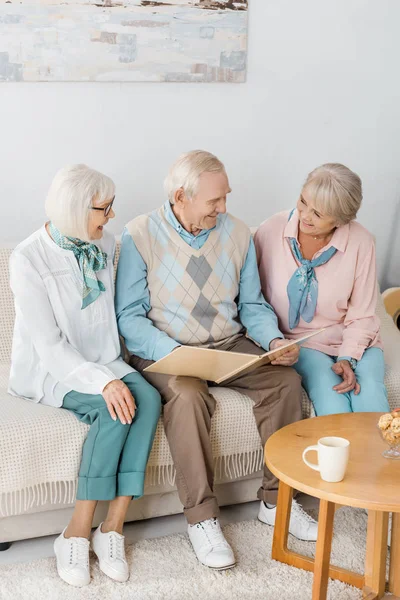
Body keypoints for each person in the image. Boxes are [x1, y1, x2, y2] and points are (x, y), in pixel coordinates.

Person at [115, 150, 318, 572]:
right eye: (214, 201)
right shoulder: (139, 235)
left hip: (228, 343)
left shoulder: (238, 233)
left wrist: (274, 340)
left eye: (225, 197)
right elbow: (128, 317)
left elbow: (252, 305)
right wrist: (171, 353)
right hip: (166, 351)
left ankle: (276, 501)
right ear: (180, 196)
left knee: (286, 383)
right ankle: (203, 518)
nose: (223, 208)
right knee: (187, 398)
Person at [8, 164, 161, 587]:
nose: (111, 216)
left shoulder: (104, 242)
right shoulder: (27, 258)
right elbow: (48, 344)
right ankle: (75, 531)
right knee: (114, 411)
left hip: (102, 358)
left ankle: (112, 527)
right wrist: (103, 383)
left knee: (148, 400)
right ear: (76, 209)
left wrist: (115, 372)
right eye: (103, 208)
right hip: (52, 369)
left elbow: (104, 320)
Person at [254, 163, 390, 417]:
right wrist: (274, 340)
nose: (305, 215)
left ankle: (379, 457)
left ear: (341, 220)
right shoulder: (270, 231)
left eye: (318, 214)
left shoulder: (361, 242)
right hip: (303, 342)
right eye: (303, 201)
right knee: (332, 398)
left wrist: (348, 357)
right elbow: (252, 299)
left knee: (369, 395)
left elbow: (362, 313)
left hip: (356, 338)